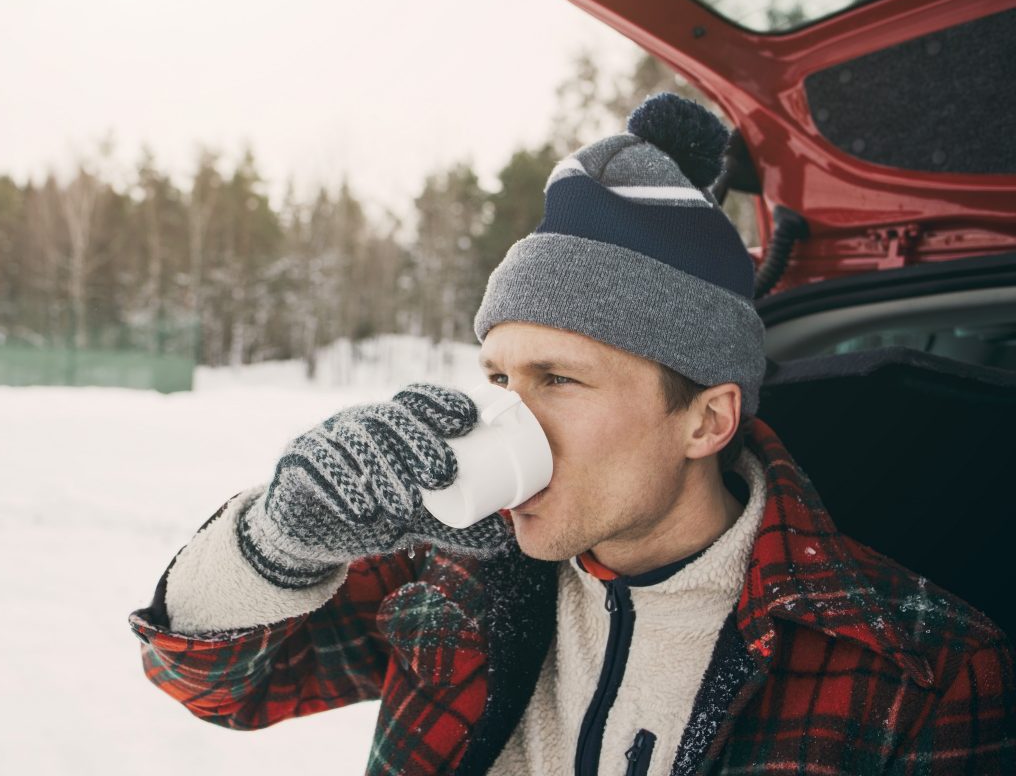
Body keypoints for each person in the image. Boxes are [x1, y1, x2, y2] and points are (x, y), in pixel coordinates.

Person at [129, 94, 1015, 775]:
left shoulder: (917, 668)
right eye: (499, 378)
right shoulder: (454, 570)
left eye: (559, 379)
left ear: (705, 420)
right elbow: (217, 688)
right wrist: (278, 542)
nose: (510, 415)